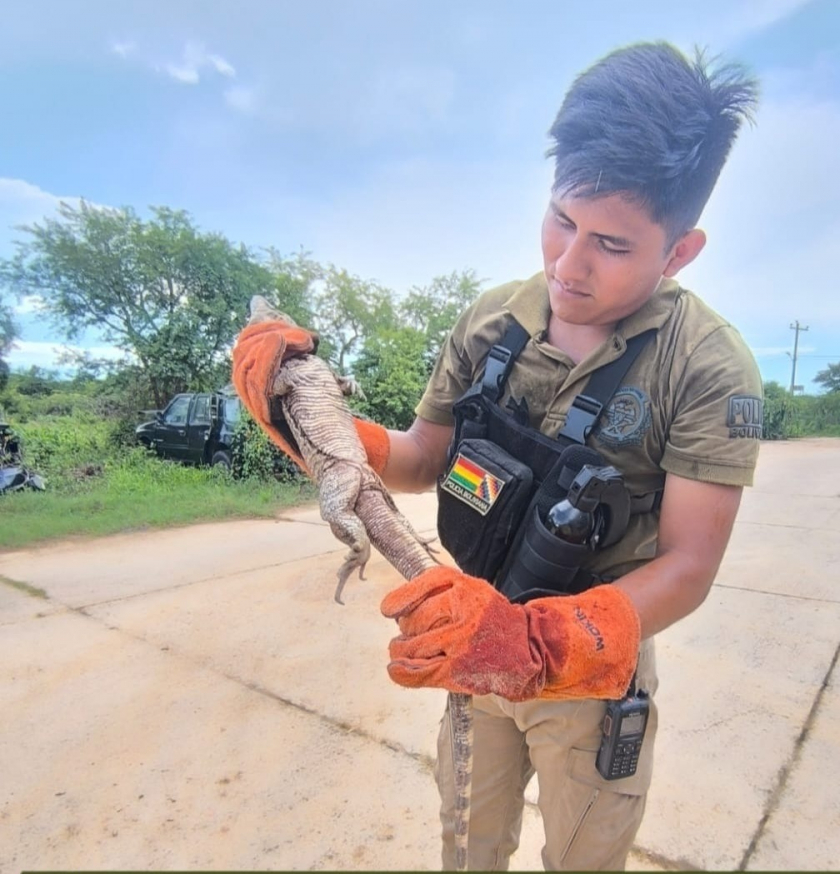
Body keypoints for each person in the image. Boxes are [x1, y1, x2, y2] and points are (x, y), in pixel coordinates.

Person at [236, 40, 761, 872]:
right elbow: (415, 461)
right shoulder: (494, 322)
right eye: (561, 220)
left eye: (613, 246)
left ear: (680, 249)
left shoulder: (703, 364)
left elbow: (689, 567)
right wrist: (311, 417)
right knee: (468, 849)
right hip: (471, 647)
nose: (568, 263)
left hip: (587, 679)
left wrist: (535, 643)